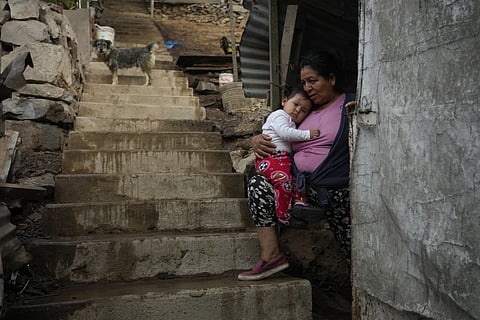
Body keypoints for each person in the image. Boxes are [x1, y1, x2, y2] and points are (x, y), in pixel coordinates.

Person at [238, 50, 356, 281]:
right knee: (258, 184)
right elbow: (277, 128)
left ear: (331, 79)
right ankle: (271, 256)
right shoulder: (302, 112)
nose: (308, 88)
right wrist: (256, 139)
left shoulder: (350, 104)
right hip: (297, 187)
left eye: (313, 81)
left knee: (354, 250)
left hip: (336, 190)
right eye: (304, 82)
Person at [255, 87, 319, 225]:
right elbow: (285, 133)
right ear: (284, 101)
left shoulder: (291, 122)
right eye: (296, 104)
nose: (297, 110)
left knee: (295, 180)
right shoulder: (279, 115)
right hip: (271, 158)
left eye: (303, 111)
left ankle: (300, 205)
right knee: (283, 181)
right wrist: (307, 134)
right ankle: (283, 216)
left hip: (282, 160)